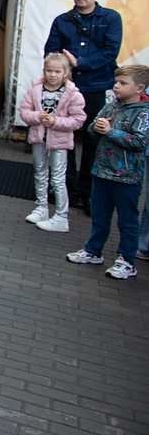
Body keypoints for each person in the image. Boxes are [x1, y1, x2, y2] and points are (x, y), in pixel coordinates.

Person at [43, 0, 124, 216]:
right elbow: (51, 52)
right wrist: (64, 70)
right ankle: (65, 188)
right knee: (63, 139)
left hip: (95, 87)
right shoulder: (62, 21)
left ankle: (87, 194)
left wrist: (81, 62)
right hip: (67, 89)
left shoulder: (110, 18)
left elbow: (111, 51)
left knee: (92, 140)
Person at [65, 64, 149, 280]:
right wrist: (97, 128)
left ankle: (126, 261)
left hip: (127, 178)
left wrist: (111, 132)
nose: (116, 86)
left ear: (140, 87)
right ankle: (93, 251)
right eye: (116, 82)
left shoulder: (144, 113)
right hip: (101, 171)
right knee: (100, 216)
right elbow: (92, 129)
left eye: (123, 83)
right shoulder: (112, 105)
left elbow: (139, 142)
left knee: (127, 221)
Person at [18, 53, 86, 233]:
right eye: (49, 70)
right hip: (39, 139)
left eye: (57, 71)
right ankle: (41, 208)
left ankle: (61, 216)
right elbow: (24, 111)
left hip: (60, 142)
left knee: (58, 178)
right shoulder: (35, 89)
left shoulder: (73, 94)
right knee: (39, 173)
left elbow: (78, 120)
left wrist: (56, 122)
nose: (52, 75)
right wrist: (37, 117)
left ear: (66, 73)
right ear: (44, 70)